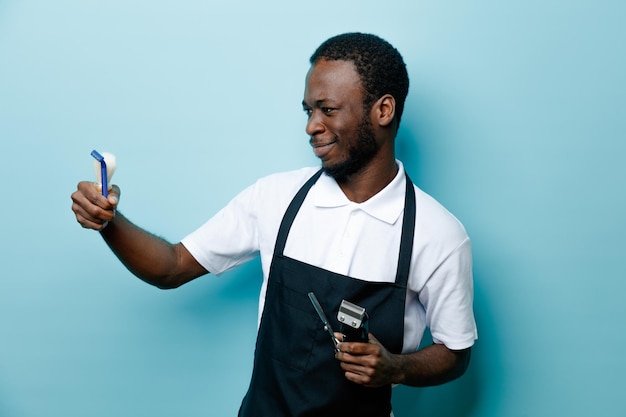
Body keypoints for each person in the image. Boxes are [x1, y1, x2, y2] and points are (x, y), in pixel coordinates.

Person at [71, 32, 477, 416]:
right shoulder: (276, 197)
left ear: (383, 110)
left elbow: (455, 353)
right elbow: (172, 266)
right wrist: (109, 221)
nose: (311, 126)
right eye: (308, 110)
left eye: (327, 109)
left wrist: (396, 368)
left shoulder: (438, 234)